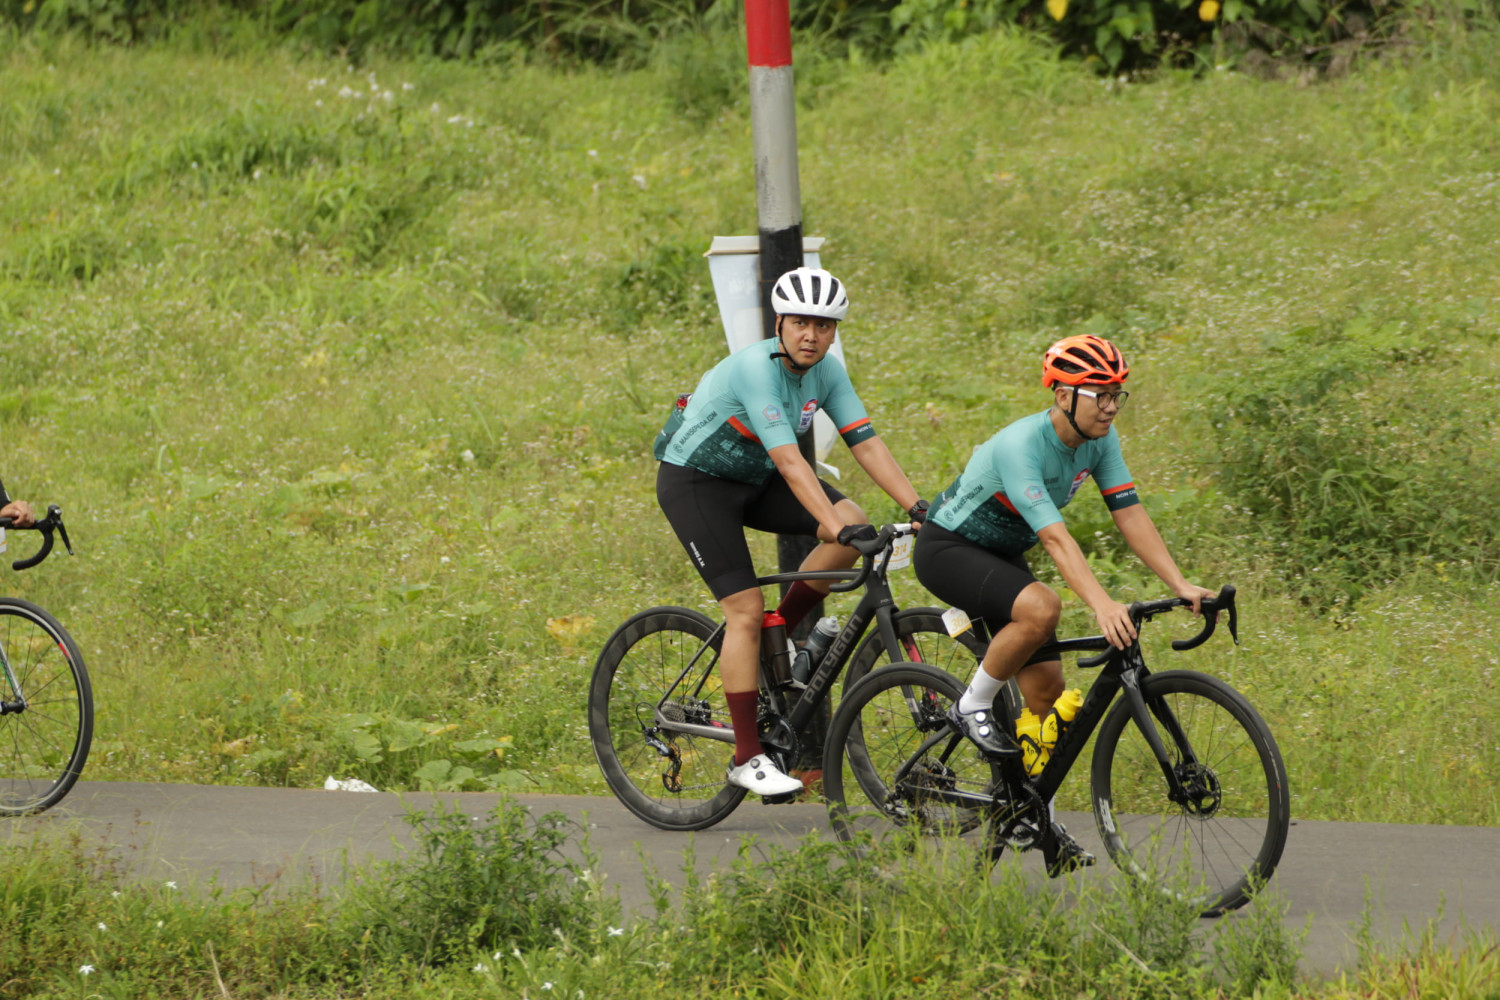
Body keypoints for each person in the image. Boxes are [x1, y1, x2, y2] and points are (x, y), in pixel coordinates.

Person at [913, 333, 1214, 874]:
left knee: (1046, 698)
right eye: (1100, 394)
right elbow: (1054, 538)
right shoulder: (1021, 446)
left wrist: (1180, 582)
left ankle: (1034, 818)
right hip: (949, 548)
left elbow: (1129, 512)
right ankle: (970, 706)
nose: (1111, 406)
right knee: (1042, 607)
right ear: (1062, 396)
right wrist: (1101, 604)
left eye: (1117, 394)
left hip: (1001, 554)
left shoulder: (1100, 440)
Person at [656, 266, 928, 797]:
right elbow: (789, 461)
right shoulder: (756, 369)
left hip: (753, 478)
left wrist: (918, 506)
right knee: (744, 609)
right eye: (801, 322)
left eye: (824, 326)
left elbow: (866, 443)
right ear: (779, 322)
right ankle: (746, 757)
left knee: (852, 520)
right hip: (697, 482)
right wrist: (836, 529)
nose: (812, 335)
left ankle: (781, 636)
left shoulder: (827, 372)